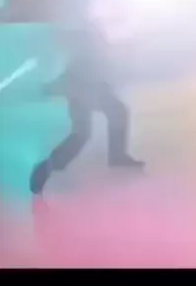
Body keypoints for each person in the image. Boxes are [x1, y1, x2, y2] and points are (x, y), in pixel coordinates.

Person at [29, 19, 143, 195]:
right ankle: (48, 168)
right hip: (87, 89)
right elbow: (84, 70)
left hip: (83, 89)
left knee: (84, 133)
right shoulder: (92, 42)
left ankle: (47, 168)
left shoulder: (91, 40)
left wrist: (53, 87)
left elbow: (78, 70)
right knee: (106, 119)